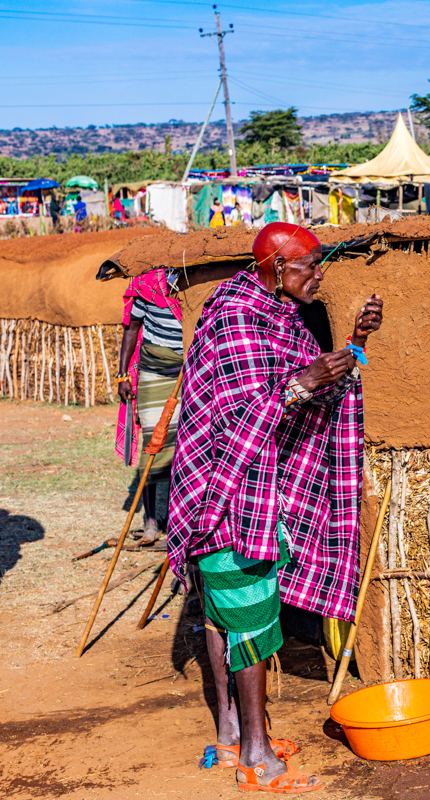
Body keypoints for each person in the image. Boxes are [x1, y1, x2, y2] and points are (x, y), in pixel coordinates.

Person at [167, 222, 383, 793]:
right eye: (309, 266)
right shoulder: (236, 319)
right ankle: (256, 755)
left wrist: (354, 348)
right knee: (245, 609)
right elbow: (240, 419)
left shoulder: (280, 320)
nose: (318, 275)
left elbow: (303, 392)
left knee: (225, 609)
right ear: (276, 270)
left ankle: (230, 735)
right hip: (226, 487)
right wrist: (302, 383)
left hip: (253, 484)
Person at [116, 268, 184, 546]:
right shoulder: (149, 287)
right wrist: (122, 375)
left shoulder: (194, 290)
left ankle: (176, 517)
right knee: (152, 445)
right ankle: (151, 522)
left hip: (187, 374)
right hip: (153, 372)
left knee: (182, 449)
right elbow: (131, 330)